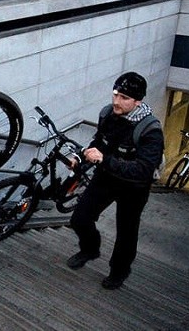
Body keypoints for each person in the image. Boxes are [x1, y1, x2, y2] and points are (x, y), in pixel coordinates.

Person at [67, 72, 164, 290]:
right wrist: (81, 158)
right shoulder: (108, 115)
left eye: (124, 98)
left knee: (126, 233)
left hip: (134, 188)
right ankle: (90, 249)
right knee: (79, 218)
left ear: (138, 101)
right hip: (106, 178)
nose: (116, 102)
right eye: (115, 94)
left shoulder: (150, 131)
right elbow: (100, 142)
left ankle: (119, 271)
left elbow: (143, 170)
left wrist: (104, 160)